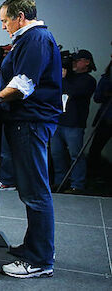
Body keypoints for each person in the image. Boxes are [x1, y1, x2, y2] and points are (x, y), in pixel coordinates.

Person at [0, 0, 61, 279]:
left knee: (35, 192)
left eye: (5, 20)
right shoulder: (30, 39)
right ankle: (35, 247)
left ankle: (40, 260)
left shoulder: (35, 39)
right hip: (26, 122)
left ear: (20, 16)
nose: (3, 26)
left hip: (30, 122)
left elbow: (22, 85)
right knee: (31, 191)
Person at [50, 49, 97, 193]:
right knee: (57, 154)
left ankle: (77, 185)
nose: (74, 63)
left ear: (87, 62)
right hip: (58, 122)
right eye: (74, 61)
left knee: (75, 155)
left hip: (74, 124)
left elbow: (73, 91)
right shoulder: (67, 78)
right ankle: (60, 182)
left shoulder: (89, 80)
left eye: (78, 61)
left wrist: (63, 78)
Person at [87, 58, 112, 182]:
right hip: (106, 118)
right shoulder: (106, 78)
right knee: (95, 149)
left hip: (107, 117)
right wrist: (106, 94)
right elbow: (97, 97)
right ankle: (95, 176)